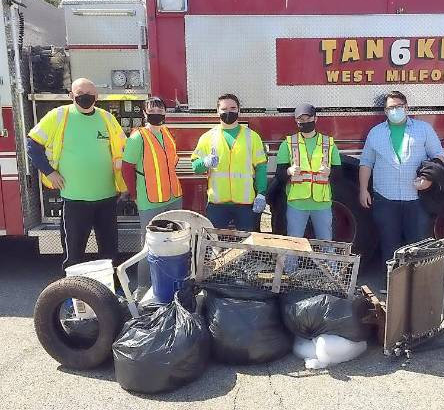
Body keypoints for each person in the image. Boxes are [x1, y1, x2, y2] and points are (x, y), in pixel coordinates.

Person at [27, 78, 127, 269]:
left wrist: (125, 185)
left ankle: (110, 293)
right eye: (80, 95)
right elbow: (32, 145)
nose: (85, 98)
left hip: (106, 199)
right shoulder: (58, 116)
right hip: (74, 200)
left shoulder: (107, 118)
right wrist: (49, 172)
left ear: (96, 96)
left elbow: (123, 149)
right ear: (71, 96)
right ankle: (72, 295)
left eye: (90, 94)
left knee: (110, 254)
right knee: (74, 254)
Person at [359, 90, 444, 268]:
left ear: (406, 108)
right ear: (385, 111)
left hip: (416, 199)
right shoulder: (375, 133)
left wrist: (428, 179)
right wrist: (362, 189)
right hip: (385, 198)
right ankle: (390, 285)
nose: (395, 110)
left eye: (399, 106)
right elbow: (366, 162)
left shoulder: (423, 129)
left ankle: (416, 286)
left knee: (418, 245)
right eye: (391, 107)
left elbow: (438, 156)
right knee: (389, 244)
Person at [122, 97, 183, 298]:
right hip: (150, 200)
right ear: (144, 112)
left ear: (165, 112)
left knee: (175, 242)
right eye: (152, 107)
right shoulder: (137, 137)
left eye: (160, 107)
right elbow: (127, 169)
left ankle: (172, 282)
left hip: (173, 197)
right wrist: (134, 195)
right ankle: (142, 288)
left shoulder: (167, 134)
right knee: (148, 245)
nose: (156, 110)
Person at [191, 93, 267, 231]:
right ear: (217, 111)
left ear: (239, 110)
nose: (228, 112)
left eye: (232, 108)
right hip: (217, 203)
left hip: (245, 204)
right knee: (214, 244)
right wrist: (205, 162)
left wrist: (261, 193)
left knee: (247, 244)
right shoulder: (207, 137)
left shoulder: (252, 136)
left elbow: (261, 167)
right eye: (224, 109)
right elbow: (195, 167)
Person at [275, 103, 342, 240]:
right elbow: (279, 175)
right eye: (301, 119)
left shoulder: (328, 143)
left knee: (325, 243)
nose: (305, 122)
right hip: (297, 204)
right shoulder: (287, 144)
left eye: (308, 118)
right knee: (294, 243)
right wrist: (289, 171)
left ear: (315, 119)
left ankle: (326, 263)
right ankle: (291, 263)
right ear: (296, 121)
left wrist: (330, 172)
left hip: (322, 204)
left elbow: (339, 174)